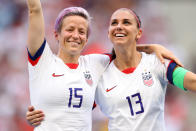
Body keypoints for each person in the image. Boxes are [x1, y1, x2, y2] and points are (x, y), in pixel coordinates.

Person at [26, 0, 183, 130]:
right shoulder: (43, 62)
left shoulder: (95, 63)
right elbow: (34, 10)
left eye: (81, 31)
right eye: (70, 29)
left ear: (86, 39)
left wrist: (151, 48)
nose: (75, 35)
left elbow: (127, 51)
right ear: (56, 35)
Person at [94, 8, 196, 131]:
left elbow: (192, 82)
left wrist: (147, 48)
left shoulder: (158, 63)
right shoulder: (99, 72)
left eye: (126, 22)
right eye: (114, 23)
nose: (119, 26)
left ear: (139, 33)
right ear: (108, 33)